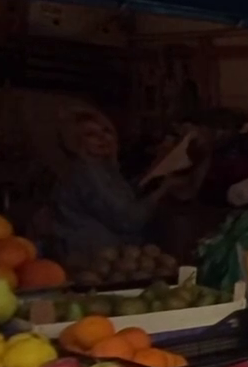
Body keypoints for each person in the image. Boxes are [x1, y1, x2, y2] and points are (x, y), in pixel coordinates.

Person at [44, 106, 168, 264]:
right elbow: (127, 219)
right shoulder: (85, 172)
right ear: (74, 141)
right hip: (93, 261)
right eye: (91, 134)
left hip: (110, 257)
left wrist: (158, 167)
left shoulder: (101, 168)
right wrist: (163, 190)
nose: (102, 138)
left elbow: (123, 196)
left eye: (106, 131)